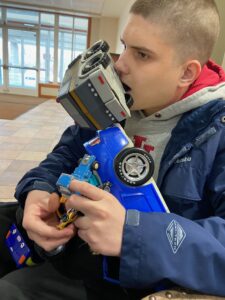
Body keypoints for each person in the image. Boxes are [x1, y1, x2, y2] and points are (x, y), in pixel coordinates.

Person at [1, 0, 225, 299]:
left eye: (142, 54)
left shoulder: (216, 131)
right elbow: (63, 156)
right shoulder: (112, 106)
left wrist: (134, 235)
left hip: (135, 280)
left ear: (187, 73)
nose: (119, 65)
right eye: (124, 46)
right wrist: (38, 191)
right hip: (75, 249)